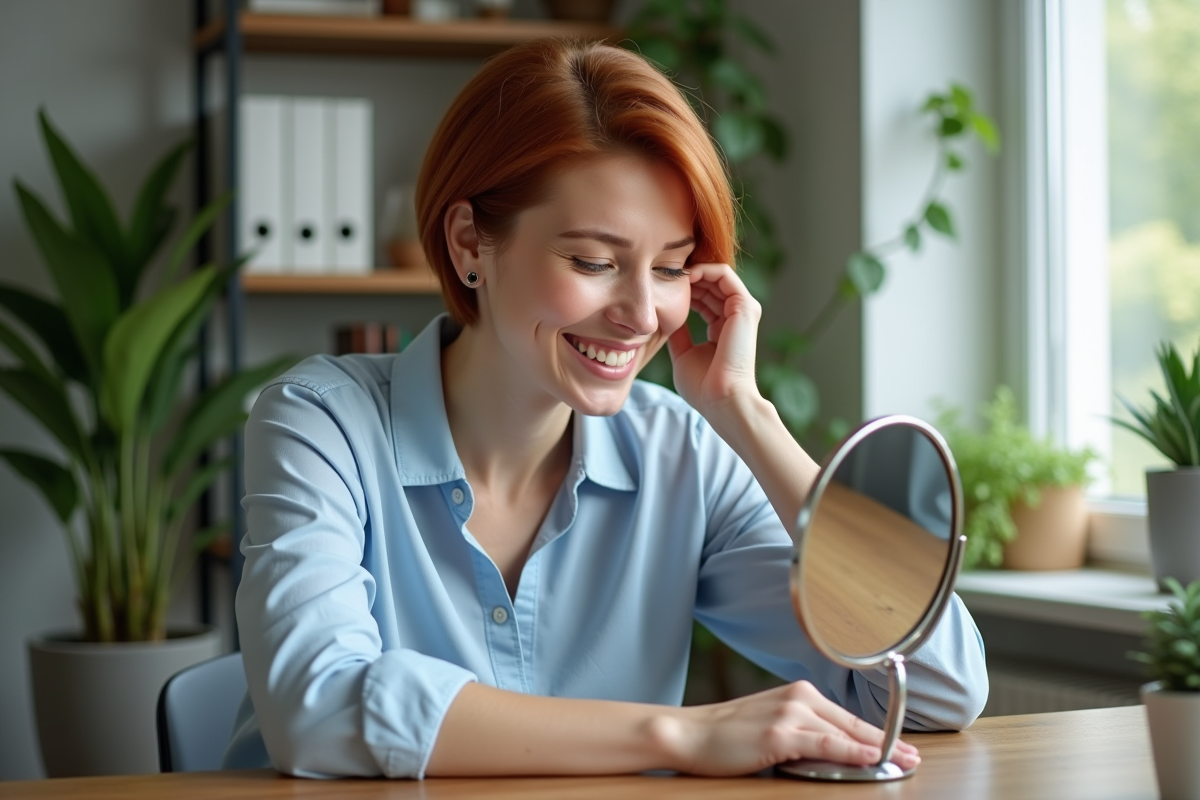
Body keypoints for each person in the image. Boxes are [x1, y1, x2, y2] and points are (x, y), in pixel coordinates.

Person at [223, 38, 988, 779]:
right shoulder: (320, 423)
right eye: (593, 262)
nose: (642, 313)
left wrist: (746, 413)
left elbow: (935, 687)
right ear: (469, 245)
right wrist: (681, 732)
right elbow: (318, 710)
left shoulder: (681, 453)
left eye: (671, 268)